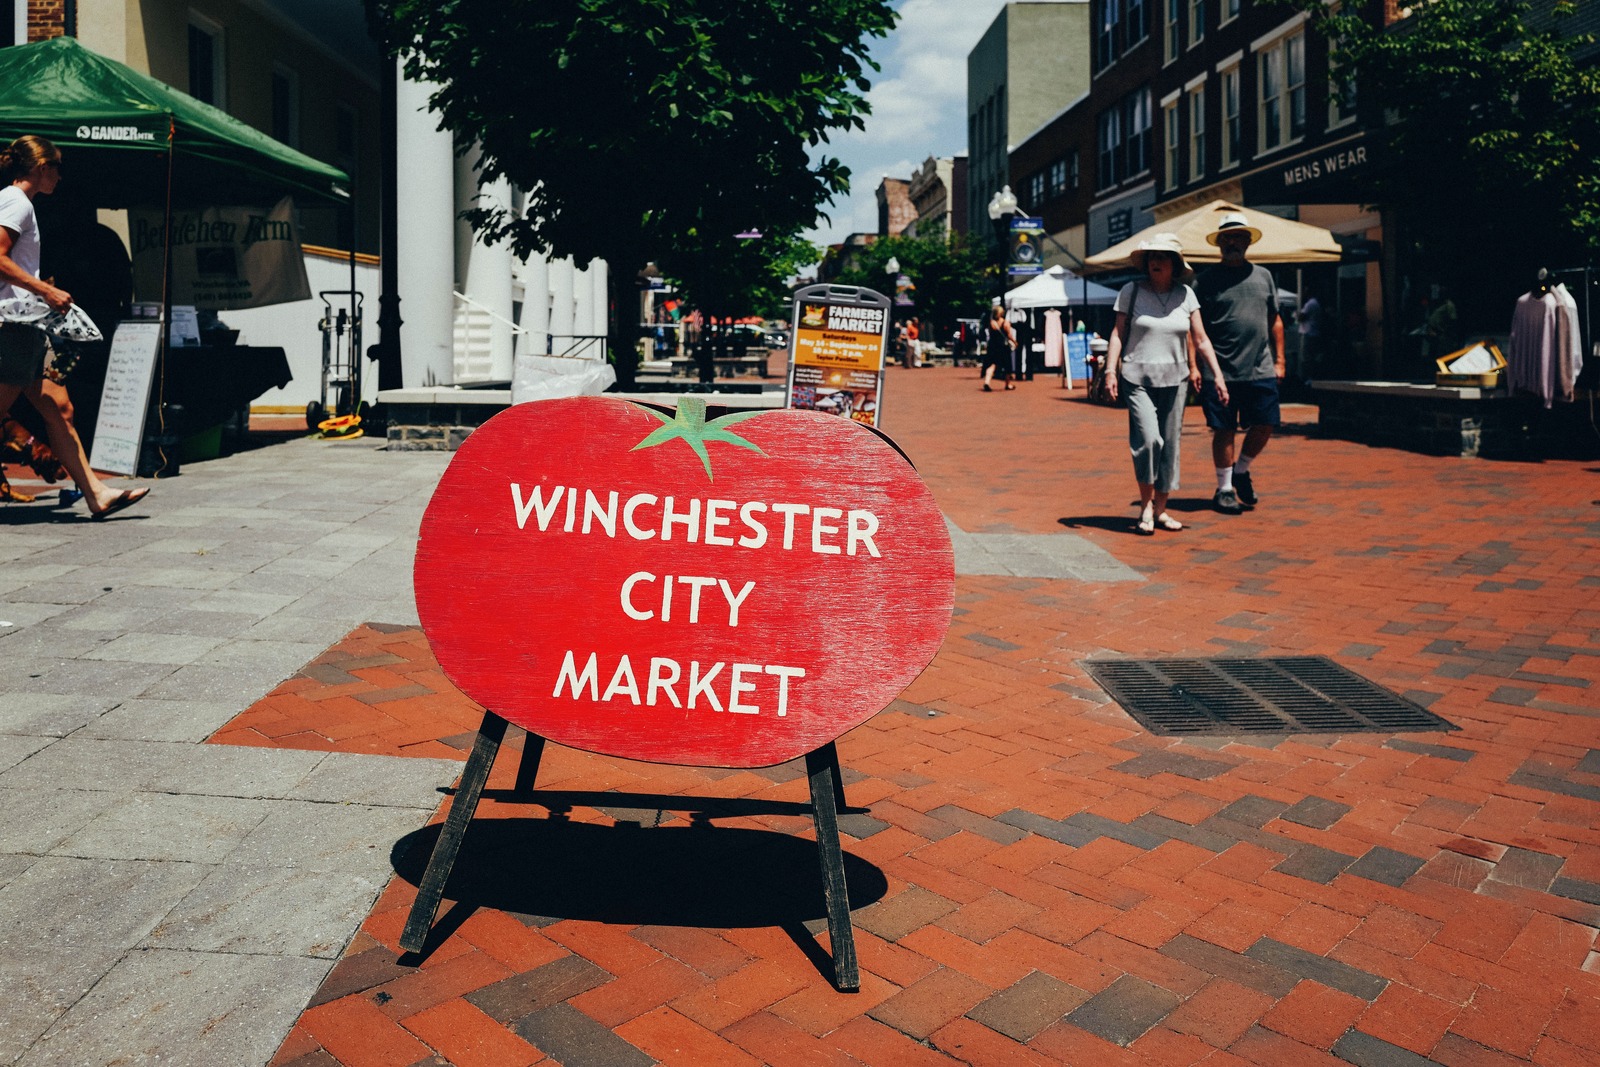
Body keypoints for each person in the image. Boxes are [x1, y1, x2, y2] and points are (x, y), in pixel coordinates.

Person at [0, 135, 147, 519]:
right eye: (58, 168)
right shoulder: (17, 202)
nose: (61, 177)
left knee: (59, 407)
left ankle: (96, 494)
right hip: (13, 326)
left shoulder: (16, 202)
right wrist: (45, 289)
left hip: (25, 325)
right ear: (42, 167)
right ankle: (96, 493)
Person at [1103, 234, 1229, 535]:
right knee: (1149, 441)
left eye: (1163, 257)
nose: (1156, 262)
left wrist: (1218, 376)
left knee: (1170, 445)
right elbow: (1118, 334)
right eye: (1152, 257)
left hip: (1176, 378)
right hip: (1137, 377)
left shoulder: (1186, 295)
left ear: (1174, 263)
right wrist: (1110, 370)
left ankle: (1160, 509)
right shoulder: (1130, 291)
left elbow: (1200, 339)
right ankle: (1145, 505)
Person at [1194, 212, 1284, 514]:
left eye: (1238, 237)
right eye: (1227, 237)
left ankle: (1242, 470)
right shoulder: (1205, 281)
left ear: (1248, 241)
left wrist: (1281, 360)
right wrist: (1196, 367)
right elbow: (1194, 329)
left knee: (1266, 423)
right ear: (1220, 243)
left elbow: (1275, 320)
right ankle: (1224, 489)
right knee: (1224, 429)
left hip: (1261, 366)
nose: (1233, 242)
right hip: (1219, 370)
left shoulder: (1264, 276)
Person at [982, 302, 1017, 391]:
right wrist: (1014, 342)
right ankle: (1007, 384)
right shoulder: (1005, 322)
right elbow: (1009, 335)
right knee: (1007, 366)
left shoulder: (991, 323)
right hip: (1003, 346)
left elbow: (990, 334)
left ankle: (987, 382)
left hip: (993, 346)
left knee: (992, 365)